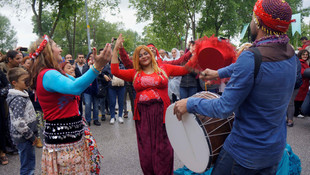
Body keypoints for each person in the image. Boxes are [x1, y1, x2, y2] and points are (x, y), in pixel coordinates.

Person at [173, 0, 298, 174]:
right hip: (274, 151)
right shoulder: (291, 54)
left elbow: (224, 108)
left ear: (259, 22)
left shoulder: (251, 57)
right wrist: (219, 73)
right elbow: (252, 65)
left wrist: (189, 103)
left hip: (244, 153)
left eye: (253, 18)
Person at [111, 34, 194, 175]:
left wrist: (196, 53)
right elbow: (115, 71)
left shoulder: (164, 69)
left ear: (151, 54)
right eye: (140, 55)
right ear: (137, 59)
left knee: (163, 148)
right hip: (143, 116)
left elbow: (186, 69)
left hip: (161, 114)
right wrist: (116, 48)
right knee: (146, 149)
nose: (144, 56)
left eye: (146, 53)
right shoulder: (135, 73)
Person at [29, 35, 111, 174]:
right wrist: (97, 67)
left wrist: (95, 67)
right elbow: (75, 88)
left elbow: (81, 85)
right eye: (56, 46)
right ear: (47, 51)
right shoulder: (48, 75)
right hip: (64, 143)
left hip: (69, 139)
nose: (60, 49)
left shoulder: (55, 73)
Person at [6, 67, 38, 175]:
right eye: (25, 80)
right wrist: (31, 136)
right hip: (24, 138)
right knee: (27, 166)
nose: (28, 83)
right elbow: (19, 123)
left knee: (29, 162)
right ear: (14, 83)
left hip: (26, 137)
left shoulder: (23, 94)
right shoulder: (18, 99)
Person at [294, 49, 310, 119]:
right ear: (300, 55)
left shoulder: (305, 62)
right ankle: (296, 113)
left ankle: (300, 111)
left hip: (305, 84)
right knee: (298, 99)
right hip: (301, 83)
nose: (305, 56)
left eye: (306, 55)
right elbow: (302, 72)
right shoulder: (300, 62)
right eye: (304, 54)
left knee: (302, 98)